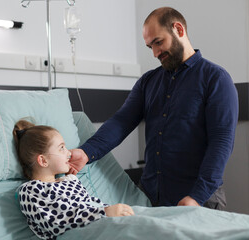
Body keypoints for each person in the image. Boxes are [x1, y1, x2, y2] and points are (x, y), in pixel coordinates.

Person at [68, 7, 238, 209]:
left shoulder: (216, 79)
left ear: (178, 29)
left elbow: (221, 142)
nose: (156, 52)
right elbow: (121, 122)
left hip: (197, 199)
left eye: (158, 42)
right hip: (150, 197)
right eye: (150, 47)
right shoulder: (149, 81)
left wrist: (197, 196)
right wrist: (87, 152)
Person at [13, 120, 134, 240]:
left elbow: (90, 204)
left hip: (104, 223)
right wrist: (104, 212)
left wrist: (114, 212)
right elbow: (55, 224)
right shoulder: (30, 191)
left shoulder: (70, 180)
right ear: (43, 161)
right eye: (61, 148)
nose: (69, 153)